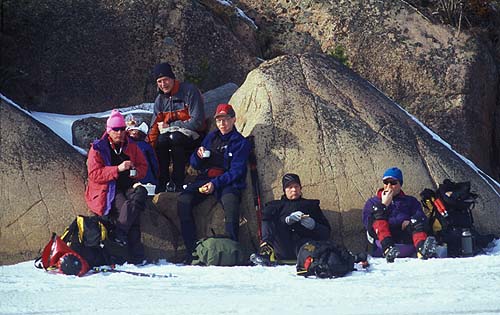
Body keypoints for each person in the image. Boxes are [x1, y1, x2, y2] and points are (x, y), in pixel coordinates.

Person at [177, 103, 251, 263]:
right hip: (205, 179)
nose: (222, 124)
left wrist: (215, 184)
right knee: (184, 201)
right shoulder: (211, 137)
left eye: (225, 120)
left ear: (233, 120)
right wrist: (198, 155)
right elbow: (195, 164)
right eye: (218, 121)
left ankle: (232, 250)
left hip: (227, 182)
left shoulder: (241, 143)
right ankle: (193, 251)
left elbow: (237, 171)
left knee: (231, 204)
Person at [85, 109, 149, 264]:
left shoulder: (131, 146)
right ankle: (136, 254)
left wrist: (135, 172)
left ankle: (119, 234)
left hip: (129, 184)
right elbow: (94, 174)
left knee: (141, 193)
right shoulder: (98, 148)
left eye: (122, 129)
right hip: (109, 189)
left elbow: (143, 166)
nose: (120, 133)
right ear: (109, 130)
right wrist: (118, 169)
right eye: (116, 129)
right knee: (129, 210)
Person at [148, 62, 206, 193]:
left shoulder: (189, 91)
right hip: (169, 137)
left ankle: (178, 181)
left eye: (166, 80)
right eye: (159, 81)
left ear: (173, 78)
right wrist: (148, 147)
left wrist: (172, 126)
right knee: (160, 140)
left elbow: (198, 122)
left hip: (193, 135)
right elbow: (154, 127)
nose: (163, 84)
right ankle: (162, 181)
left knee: (175, 137)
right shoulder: (160, 100)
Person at [250, 173, 331, 266]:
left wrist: (314, 226)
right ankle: (266, 252)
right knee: (268, 216)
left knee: (309, 246)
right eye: (289, 187)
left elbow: (326, 233)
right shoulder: (275, 206)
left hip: (304, 246)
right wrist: (285, 221)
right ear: (284, 190)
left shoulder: (311, 206)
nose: (294, 190)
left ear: (300, 188)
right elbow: (267, 222)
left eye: (296, 186)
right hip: (282, 246)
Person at [362, 167, 437, 262]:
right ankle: (388, 249)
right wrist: (384, 205)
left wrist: (410, 222)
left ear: (400, 184)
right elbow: (367, 223)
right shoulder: (373, 202)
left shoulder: (410, 201)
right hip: (382, 237)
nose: (389, 186)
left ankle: (422, 249)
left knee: (417, 221)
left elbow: (421, 218)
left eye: (393, 183)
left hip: (404, 235)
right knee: (378, 213)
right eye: (386, 182)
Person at [126, 118, 159, 187]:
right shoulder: (146, 146)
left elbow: (153, 163)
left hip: (140, 180)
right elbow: (154, 164)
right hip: (147, 180)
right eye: (131, 130)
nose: (134, 132)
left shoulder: (145, 146)